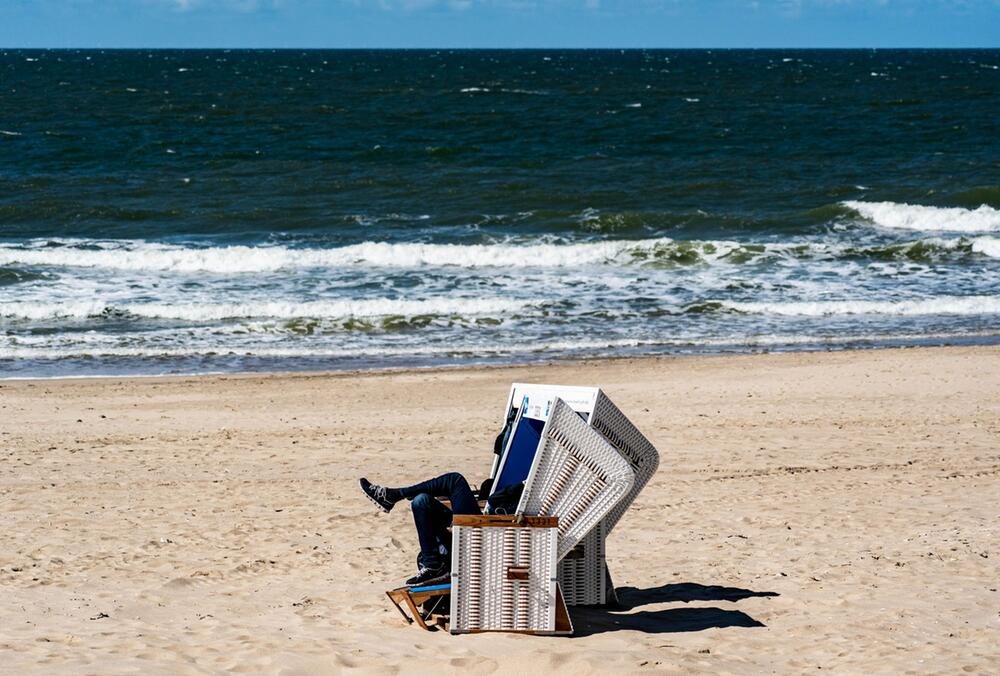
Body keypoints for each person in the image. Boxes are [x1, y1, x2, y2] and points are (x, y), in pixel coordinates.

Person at [359, 473, 523, 586]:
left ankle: (393, 495)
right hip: (474, 532)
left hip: (482, 538)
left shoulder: (536, 491)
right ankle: (432, 565)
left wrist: (518, 487)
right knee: (421, 501)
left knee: (454, 480)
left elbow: (499, 502)